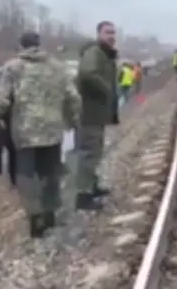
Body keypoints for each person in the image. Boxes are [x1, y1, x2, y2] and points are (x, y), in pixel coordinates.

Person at [0, 31, 81, 239]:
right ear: (40, 44)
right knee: (50, 172)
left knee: (26, 175)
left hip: (25, 132)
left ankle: (35, 216)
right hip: (53, 130)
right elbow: (73, 97)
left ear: (21, 45)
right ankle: (50, 211)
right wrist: (73, 121)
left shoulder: (13, 68)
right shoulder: (58, 67)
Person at [75, 20, 120, 211]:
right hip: (88, 114)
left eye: (113, 33)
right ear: (99, 34)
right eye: (107, 32)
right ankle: (83, 196)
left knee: (94, 153)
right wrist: (107, 89)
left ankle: (92, 186)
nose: (111, 36)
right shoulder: (94, 52)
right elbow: (87, 74)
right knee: (88, 154)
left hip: (96, 114)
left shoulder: (103, 54)